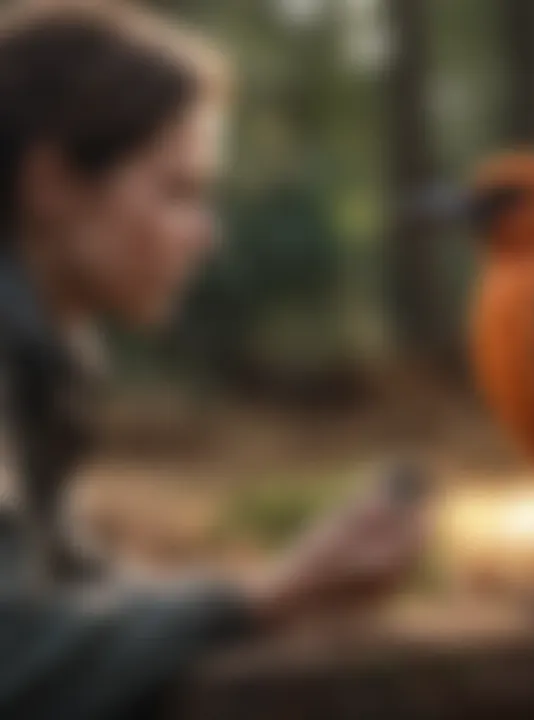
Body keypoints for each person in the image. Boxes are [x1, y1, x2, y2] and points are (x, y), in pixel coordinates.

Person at [0, 2, 425, 718]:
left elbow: (74, 593)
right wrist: (265, 599)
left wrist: (286, 582)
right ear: (52, 186)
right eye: (178, 192)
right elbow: (13, 656)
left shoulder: (40, 359)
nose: (208, 237)